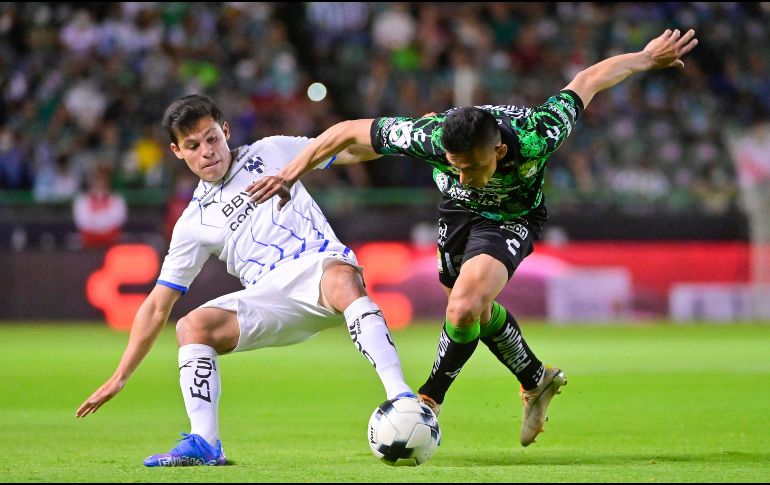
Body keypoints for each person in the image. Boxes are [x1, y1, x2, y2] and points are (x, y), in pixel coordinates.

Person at [246, 28, 699, 447]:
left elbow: (588, 79)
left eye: (472, 166)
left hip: (512, 217)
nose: (463, 172)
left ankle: (428, 399)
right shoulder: (428, 135)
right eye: (453, 164)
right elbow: (345, 131)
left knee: (462, 307)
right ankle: (535, 377)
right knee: (471, 312)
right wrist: (289, 175)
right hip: (457, 215)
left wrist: (643, 58)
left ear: (499, 151)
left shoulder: (537, 133)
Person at [75, 94, 417, 466]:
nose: (207, 151)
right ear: (177, 151)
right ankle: (206, 443)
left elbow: (348, 151)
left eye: (211, 138)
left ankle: (401, 399)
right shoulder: (192, 223)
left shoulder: (270, 151)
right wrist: (121, 376)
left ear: (225, 131)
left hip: (318, 266)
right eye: (193, 145)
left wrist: (407, 141)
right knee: (192, 327)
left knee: (341, 280)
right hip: (269, 296)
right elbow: (158, 304)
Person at [72, 164, 128, 248]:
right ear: (91, 182)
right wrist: (97, 227)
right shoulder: (82, 200)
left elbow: (119, 218)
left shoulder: (116, 199)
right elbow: (82, 220)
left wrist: (103, 227)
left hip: (111, 235)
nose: (100, 184)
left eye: (102, 181)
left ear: (107, 182)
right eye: (97, 180)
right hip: (89, 236)